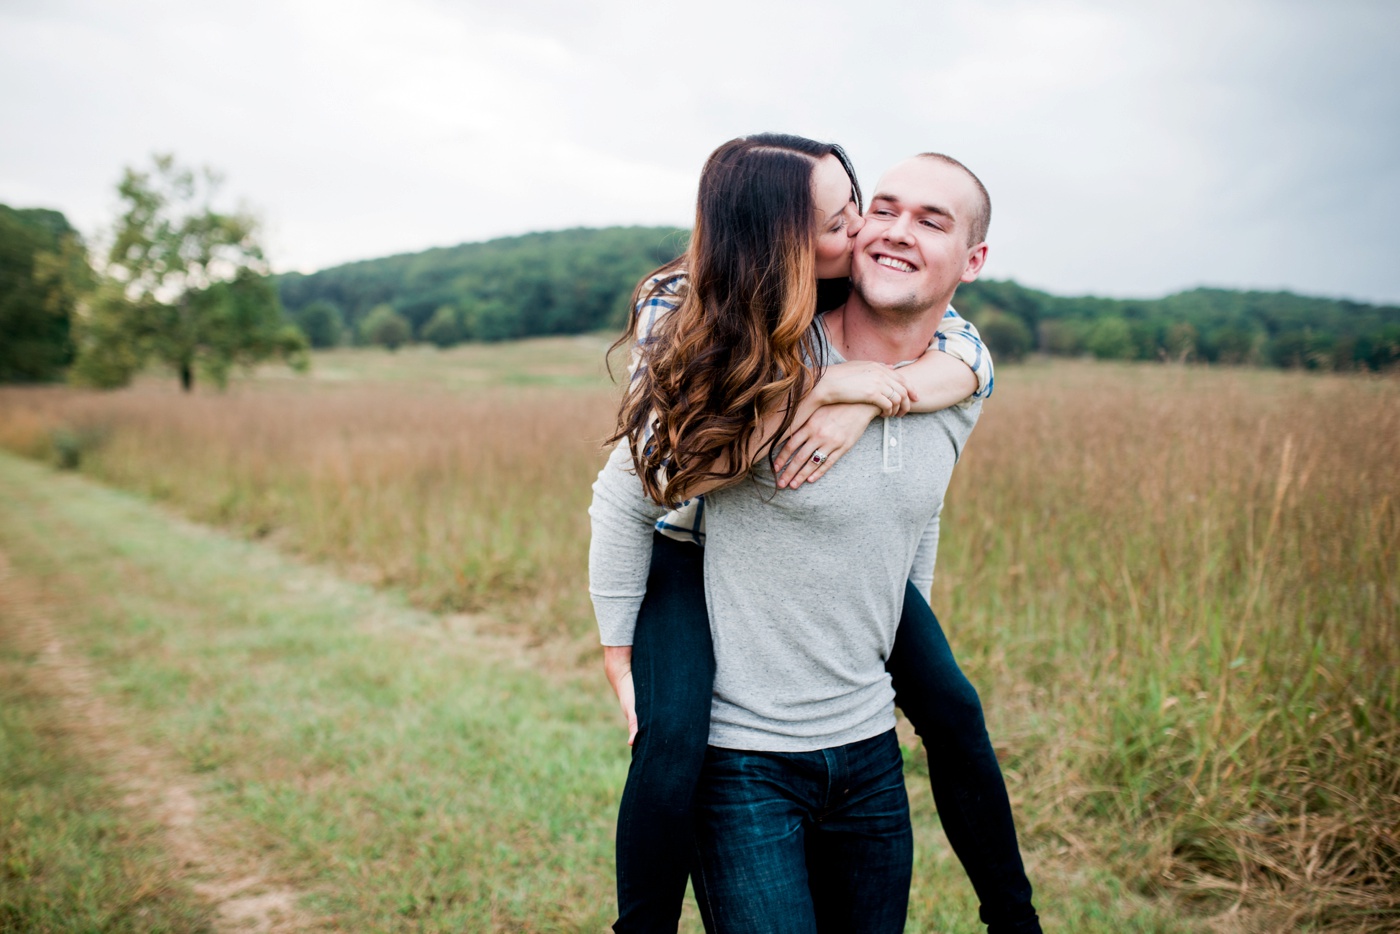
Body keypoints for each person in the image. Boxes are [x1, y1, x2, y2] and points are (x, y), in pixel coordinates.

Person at [590, 136, 1039, 933]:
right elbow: (645, 479)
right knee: (669, 745)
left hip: (860, 742)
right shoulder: (721, 328)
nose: (877, 228)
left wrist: (889, 391)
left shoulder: (955, 367)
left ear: (972, 259)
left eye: (917, 218)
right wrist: (820, 385)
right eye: (864, 217)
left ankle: (1014, 916)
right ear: (786, 243)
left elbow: (922, 492)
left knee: (954, 710)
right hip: (687, 556)